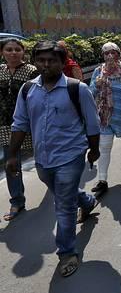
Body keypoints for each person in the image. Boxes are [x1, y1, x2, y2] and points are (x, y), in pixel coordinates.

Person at [8, 41, 100, 277]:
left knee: (63, 204)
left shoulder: (77, 89)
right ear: (35, 61)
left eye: (52, 60)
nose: (46, 65)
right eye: (41, 60)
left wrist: (94, 149)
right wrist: (12, 156)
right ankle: (87, 201)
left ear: (62, 62)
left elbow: (92, 124)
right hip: (43, 159)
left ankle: (67, 252)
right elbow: (19, 123)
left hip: (71, 155)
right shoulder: (28, 89)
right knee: (63, 194)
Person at [89, 42, 121, 195]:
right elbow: (90, 93)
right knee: (104, 147)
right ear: (103, 56)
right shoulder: (98, 71)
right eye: (106, 53)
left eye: (113, 52)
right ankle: (102, 180)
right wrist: (96, 85)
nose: (110, 56)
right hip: (105, 116)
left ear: (118, 54)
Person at [1, 38, 38, 221]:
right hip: (5, 126)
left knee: (45, 161)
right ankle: (17, 200)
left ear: (23, 52)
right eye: (9, 49)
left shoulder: (32, 71)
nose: (13, 53)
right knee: (11, 163)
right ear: (2, 52)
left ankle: (62, 192)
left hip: (31, 124)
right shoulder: (0, 71)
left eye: (17, 49)